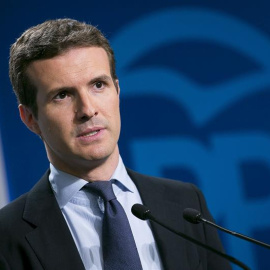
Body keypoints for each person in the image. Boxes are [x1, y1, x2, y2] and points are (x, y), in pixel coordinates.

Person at [0, 18, 231, 270]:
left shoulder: (187, 203)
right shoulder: (6, 235)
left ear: (117, 91)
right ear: (30, 118)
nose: (88, 110)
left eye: (98, 85)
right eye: (63, 95)